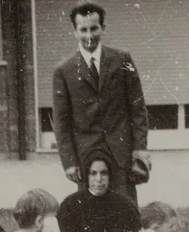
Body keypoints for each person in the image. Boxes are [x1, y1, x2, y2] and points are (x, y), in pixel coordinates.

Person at [52, 2, 150, 204]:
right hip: (86, 157)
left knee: (126, 211)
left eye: (94, 28)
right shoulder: (63, 70)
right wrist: (69, 162)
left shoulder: (122, 59)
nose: (89, 35)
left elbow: (137, 108)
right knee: (91, 214)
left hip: (120, 154)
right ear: (75, 31)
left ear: (103, 28)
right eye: (83, 29)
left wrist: (139, 148)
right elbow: (62, 122)